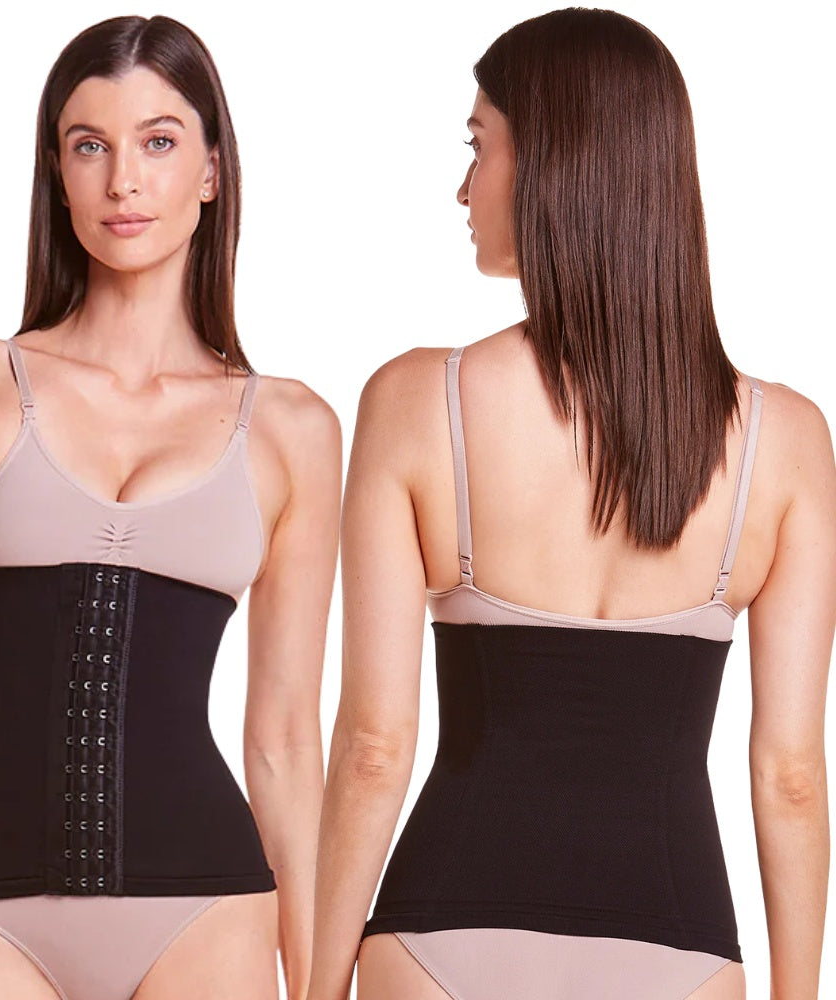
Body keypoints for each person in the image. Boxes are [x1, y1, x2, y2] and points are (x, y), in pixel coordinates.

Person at [308, 8, 833, 1000]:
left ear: (552, 160)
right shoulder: (787, 440)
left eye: (478, 146)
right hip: (680, 953)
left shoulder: (417, 400)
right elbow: (791, 776)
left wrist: (318, 988)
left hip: (440, 940)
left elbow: (374, 748)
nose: (462, 187)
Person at [0, 15, 340, 1000]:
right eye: (91, 146)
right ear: (58, 172)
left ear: (211, 170)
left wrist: (319, 980)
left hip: (209, 912)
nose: (124, 180)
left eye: (158, 142)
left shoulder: (292, 427)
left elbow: (286, 739)